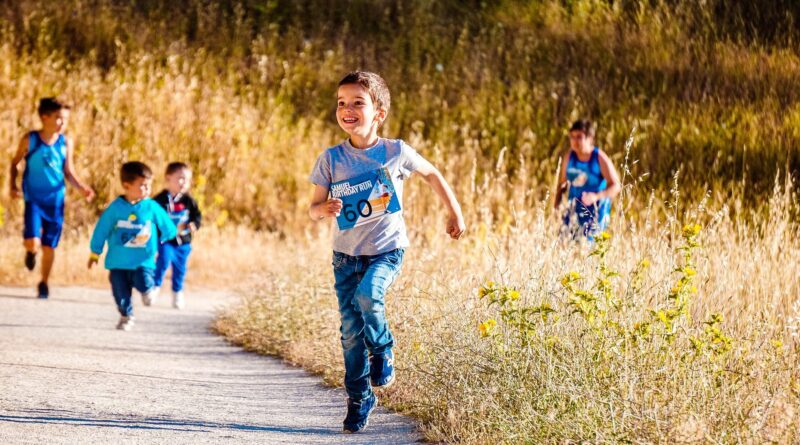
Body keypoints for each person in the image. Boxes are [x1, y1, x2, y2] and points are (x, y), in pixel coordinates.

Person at [308, 71, 465, 433]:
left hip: (386, 251)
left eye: (357, 103)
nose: (347, 109)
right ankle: (360, 396)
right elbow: (313, 207)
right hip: (345, 258)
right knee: (349, 332)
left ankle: (382, 349)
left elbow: (432, 174)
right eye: (341, 103)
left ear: (378, 113)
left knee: (369, 296)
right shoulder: (331, 159)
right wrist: (324, 210)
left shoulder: (395, 151)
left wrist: (454, 211)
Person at [9, 97, 95, 298]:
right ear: (44, 117)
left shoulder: (65, 142)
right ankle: (30, 253)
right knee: (32, 241)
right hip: (33, 200)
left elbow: (69, 171)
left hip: (55, 202)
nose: (62, 123)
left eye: (65, 119)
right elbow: (14, 163)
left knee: (49, 245)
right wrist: (12, 186)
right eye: (58, 118)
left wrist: (82, 188)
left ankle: (44, 282)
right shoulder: (30, 139)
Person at [88, 162, 177, 331]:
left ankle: (148, 290)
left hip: (143, 260)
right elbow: (102, 230)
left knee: (143, 281)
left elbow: (167, 226)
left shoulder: (151, 206)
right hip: (118, 262)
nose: (147, 189)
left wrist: (167, 237)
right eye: (143, 185)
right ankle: (126, 316)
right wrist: (95, 253)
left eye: (149, 185)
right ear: (127, 186)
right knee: (120, 293)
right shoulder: (115, 208)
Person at [554, 119, 621, 239]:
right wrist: (556, 207)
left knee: (587, 249)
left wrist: (596, 196)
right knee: (563, 244)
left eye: (579, 136)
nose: (575, 141)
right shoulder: (569, 157)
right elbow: (562, 185)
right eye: (572, 137)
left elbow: (616, 186)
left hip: (595, 213)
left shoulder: (599, 158)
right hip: (573, 209)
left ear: (590, 138)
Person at [152, 162, 202, 309]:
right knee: (163, 261)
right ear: (168, 178)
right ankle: (154, 287)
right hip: (166, 240)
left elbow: (197, 216)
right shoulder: (160, 199)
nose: (183, 183)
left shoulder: (188, 201)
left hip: (183, 241)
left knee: (180, 269)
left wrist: (194, 224)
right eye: (180, 178)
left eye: (186, 180)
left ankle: (177, 292)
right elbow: (151, 216)